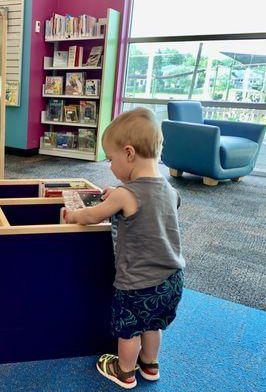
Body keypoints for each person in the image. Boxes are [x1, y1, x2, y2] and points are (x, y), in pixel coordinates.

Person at [65, 107, 185, 389]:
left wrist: (73, 216)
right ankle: (150, 365)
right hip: (172, 279)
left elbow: (93, 215)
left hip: (137, 283)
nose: (110, 166)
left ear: (129, 154)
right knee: (153, 324)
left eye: (111, 159)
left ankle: (125, 371)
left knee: (129, 329)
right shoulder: (170, 190)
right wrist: (116, 196)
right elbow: (149, 205)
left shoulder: (125, 193)